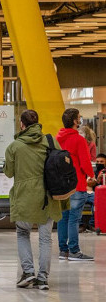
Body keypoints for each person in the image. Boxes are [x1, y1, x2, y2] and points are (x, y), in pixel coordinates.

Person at [4, 110, 66, 290]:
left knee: (23, 233)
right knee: (45, 238)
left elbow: (8, 172)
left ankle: (28, 272)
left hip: (25, 197)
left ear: (22, 124)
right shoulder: (51, 140)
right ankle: (43, 278)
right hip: (48, 196)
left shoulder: (15, 146)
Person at [55, 108, 95, 261]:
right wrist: (92, 175)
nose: (80, 119)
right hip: (77, 184)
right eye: (79, 117)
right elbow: (85, 163)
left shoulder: (58, 138)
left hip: (61, 185)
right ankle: (74, 251)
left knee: (63, 218)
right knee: (74, 219)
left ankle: (63, 251)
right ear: (74, 121)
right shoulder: (79, 140)